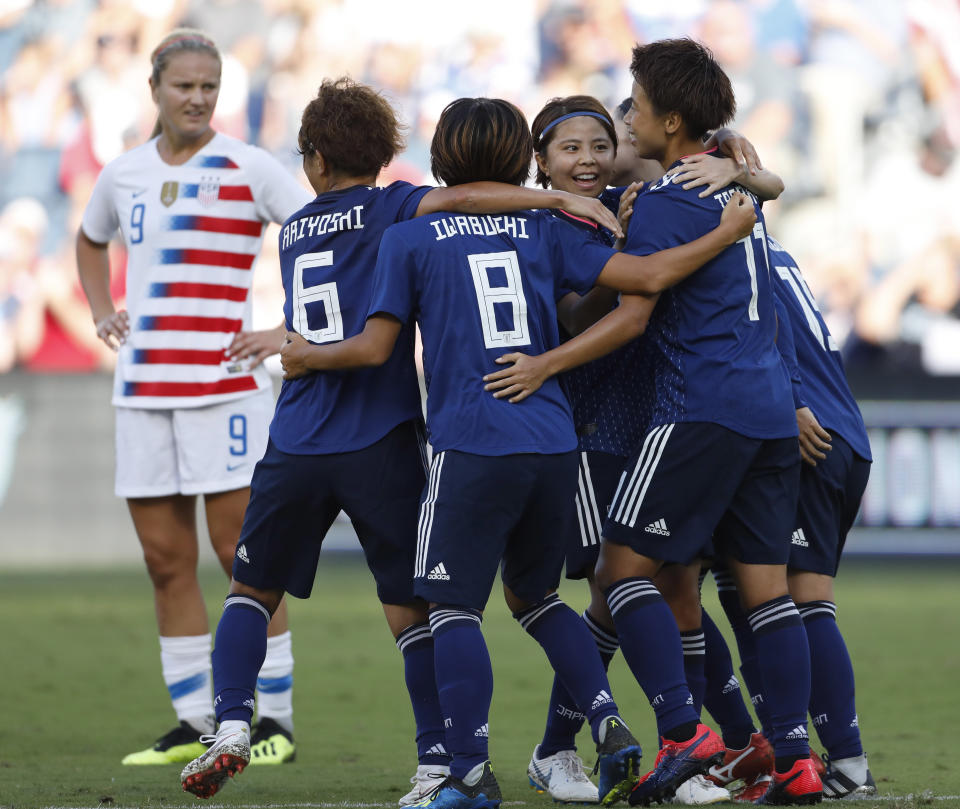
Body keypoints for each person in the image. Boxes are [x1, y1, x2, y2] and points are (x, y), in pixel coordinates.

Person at [275, 95, 756, 809]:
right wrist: (728, 227)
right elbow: (646, 282)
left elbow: (377, 347)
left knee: (449, 608)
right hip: (554, 443)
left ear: (443, 158)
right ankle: (607, 721)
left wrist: (304, 355)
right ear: (518, 158)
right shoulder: (547, 227)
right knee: (536, 595)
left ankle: (467, 772)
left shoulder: (409, 240)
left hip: (472, 440)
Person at [175, 77, 636, 802]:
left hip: (299, 434)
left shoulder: (296, 228)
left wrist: (290, 344)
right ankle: (437, 761)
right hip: (388, 439)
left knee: (250, 587)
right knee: (420, 612)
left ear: (314, 162)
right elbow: (463, 202)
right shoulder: (399, 209)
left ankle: (232, 721)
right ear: (390, 156)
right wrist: (555, 197)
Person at [494, 94, 783, 806]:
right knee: (612, 583)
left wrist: (738, 158)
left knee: (674, 581)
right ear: (541, 160)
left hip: (657, 417)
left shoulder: (637, 197)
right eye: (572, 149)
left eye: (602, 143)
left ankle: (716, 743)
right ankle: (566, 747)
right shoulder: (540, 219)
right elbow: (575, 312)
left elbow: (704, 168)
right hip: (587, 422)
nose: (590, 159)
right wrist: (622, 257)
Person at [586, 38, 821, 806]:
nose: (632, 114)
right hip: (765, 414)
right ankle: (796, 761)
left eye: (638, 102)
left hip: (698, 408)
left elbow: (633, 316)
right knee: (768, 592)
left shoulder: (661, 204)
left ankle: (686, 734)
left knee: (620, 572)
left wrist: (547, 367)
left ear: (673, 119)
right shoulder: (737, 195)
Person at [76, 29, 312, 767]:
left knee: (243, 554)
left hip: (225, 390)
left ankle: (272, 718)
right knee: (164, 559)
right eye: (185, 85)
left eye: (209, 86)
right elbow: (89, 240)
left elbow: (318, 236)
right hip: (144, 387)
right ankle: (192, 718)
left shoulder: (250, 166)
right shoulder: (123, 173)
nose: (198, 98)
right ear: (156, 89)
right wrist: (98, 306)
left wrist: (286, 329)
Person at [702, 234, 875, 801]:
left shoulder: (722, 244)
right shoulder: (769, 246)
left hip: (803, 433)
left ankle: (845, 763)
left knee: (795, 603)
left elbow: (763, 332)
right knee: (749, 590)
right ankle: (785, 749)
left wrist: (793, 401)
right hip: (838, 430)